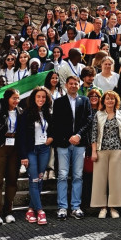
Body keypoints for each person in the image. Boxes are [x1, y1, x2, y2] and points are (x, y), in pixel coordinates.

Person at [52, 75, 92, 220]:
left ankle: (76, 207)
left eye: (76, 84)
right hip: (63, 143)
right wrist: (69, 136)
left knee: (78, 176)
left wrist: (78, 136)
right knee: (62, 175)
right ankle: (62, 207)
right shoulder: (58, 102)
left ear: (79, 85)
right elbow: (56, 122)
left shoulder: (85, 100)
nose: (73, 86)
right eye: (71, 83)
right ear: (66, 85)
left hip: (79, 143)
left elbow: (88, 120)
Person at [16, 87, 54, 225]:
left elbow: (53, 129)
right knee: (33, 180)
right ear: (33, 98)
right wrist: (23, 156)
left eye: (43, 97)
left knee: (39, 178)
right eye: (38, 97)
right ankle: (40, 211)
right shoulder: (26, 114)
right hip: (31, 150)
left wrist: (51, 137)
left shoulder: (48, 112)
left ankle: (31, 209)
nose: (41, 99)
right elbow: (21, 136)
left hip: (44, 149)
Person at [91, 90, 121, 218]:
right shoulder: (98, 114)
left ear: (116, 101)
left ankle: (114, 207)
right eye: (107, 98)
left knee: (115, 180)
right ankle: (102, 207)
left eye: (112, 99)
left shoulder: (120, 114)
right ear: (104, 101)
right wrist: (93, 151)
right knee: (100, 179)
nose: (110, 101)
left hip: (117, 149)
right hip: (101, 149)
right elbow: (94, 134)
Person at [0, 88, 21, 225]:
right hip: (1, 145)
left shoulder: (20, 111)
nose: (16, 101)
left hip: (15, 147)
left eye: (18, 98)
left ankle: (9, 211)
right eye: (14, 98)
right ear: (7, 98)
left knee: (12, 179)